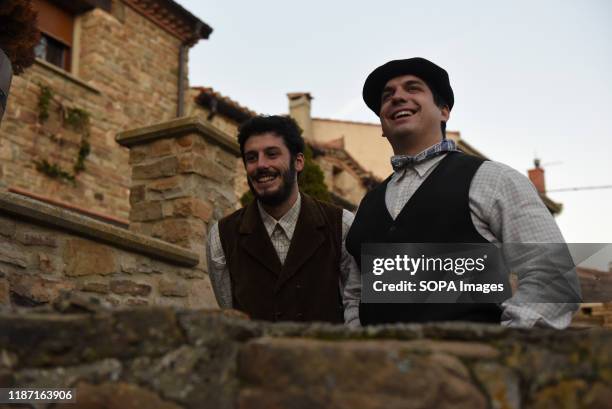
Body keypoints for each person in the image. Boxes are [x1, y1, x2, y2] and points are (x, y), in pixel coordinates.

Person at [346, 57, 580, 328]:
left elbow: (552, 275)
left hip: (470, 365)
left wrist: (503, 348)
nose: (397, 97)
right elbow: (354, 294)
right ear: (383, 126)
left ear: (444, 111)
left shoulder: (493, 179)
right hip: (378, 366)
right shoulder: (366, 205)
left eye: (412, 88)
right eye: (388, 95)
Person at [207, 115, 360, 325]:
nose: (260, 165)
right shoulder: (221, 237)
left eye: (271, 154)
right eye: (251, 157)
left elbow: (355, 307)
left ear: (298, 162)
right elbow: (230, 313)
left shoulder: (342, 225)